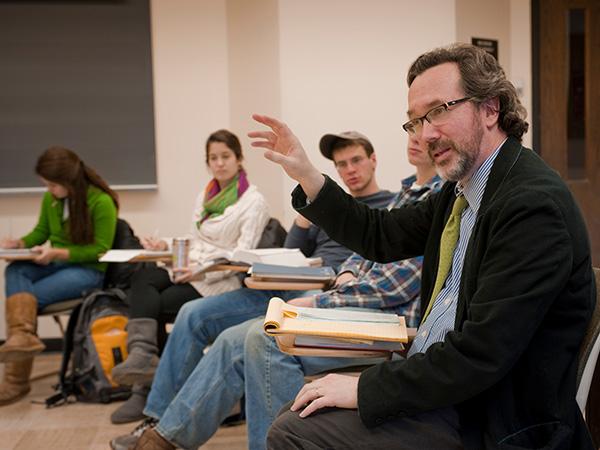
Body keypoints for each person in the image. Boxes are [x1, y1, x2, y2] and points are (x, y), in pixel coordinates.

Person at [251, 44, 595, 449]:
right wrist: (308, 174)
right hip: (450, 394)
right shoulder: (461, 191)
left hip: (492, 420)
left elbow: (480, 356)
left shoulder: (531, 206)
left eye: (440, 110)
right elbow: (381, 234)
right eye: (416, 121)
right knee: (297, 414)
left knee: (294, 431)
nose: (426, 133)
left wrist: (364, 389)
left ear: (490, 108)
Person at [109, 131, 396, 449]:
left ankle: (169, 435)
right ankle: (159, 421)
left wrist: (336, 280)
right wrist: (303, 222)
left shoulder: (390, 209)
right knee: (192, 313)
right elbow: (291, 252)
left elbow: (373, 268)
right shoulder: (334, 205)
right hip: (289, 287)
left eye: (356, 160)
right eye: (341, 164)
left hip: (329, 296)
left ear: (373, 160)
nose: (349, 170)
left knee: (244, 338)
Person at [109, 129, 270, 422]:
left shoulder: (253, 201)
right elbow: (196, 239)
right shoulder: (207, 194)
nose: (219, 163)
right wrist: (166, 245)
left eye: (225, 157)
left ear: (239, 158)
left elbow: (240, 255)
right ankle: (141, 356)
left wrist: (199, 272)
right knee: (143, 278)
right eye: (213, 158)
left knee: (157, 303)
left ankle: (145, 390)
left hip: (217, 280)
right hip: (189, 269)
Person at [0, 146, 119, 406]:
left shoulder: (101, 202)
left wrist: (58, 253)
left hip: (89, 271)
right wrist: (19, 243)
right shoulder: (51, 199)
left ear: (69, 181)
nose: (49, 190)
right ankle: (22, 336)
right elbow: (40, 232)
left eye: (53, 185)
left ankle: (15, 382)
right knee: (15, 269)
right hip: (58, 262)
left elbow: (99, 251)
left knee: (23, 302)